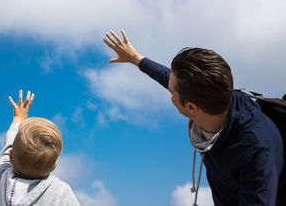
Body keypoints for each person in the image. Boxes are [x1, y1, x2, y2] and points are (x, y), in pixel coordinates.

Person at [103, 29, 284, 206]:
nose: (169, 91)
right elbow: (168, 77)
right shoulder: (215, 95)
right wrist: (136, 58)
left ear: (191, 107)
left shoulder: (256, 152)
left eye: (172, 91)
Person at [0, 90, 80, 206]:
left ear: (11, 156)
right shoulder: (61, 192)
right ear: (54, 166)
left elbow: (8, 146)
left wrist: (17, 118)